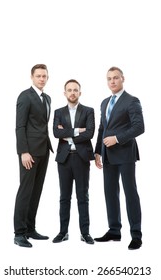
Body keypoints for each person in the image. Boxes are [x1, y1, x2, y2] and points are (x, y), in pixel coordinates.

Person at [94, 66, 145, 250]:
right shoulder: (104, 102)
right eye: (109, 78)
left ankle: (136, 235)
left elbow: (139, 127)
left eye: (116, 78)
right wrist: (97, 151)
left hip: (125, 153)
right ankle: (114, 230)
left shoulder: (132, 101)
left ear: (123, 79)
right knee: (110, 193)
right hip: (107, 155)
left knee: (130, 193)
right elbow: (102, 129)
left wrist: (117, 139)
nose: (112, 81)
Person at [14, 64, 53, 247]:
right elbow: (20, 126)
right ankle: (19, 233)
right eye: (38, 76)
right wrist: (23, 152)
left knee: (36, 191)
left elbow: (42, 124)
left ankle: (30, 228)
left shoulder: (47, 98)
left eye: (44, 76)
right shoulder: (25, 96)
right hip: (29, 153)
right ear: (32, 77)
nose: (42, 79)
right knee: (25, 191)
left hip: (44, 150)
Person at [52, 79, 95, 244]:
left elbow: (90, 133)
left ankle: (85, 233)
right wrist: (78, 130)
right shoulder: (58, 112)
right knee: (64, 197)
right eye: (69, 90)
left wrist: (67, 133)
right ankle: (63, 232)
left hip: (81, 158)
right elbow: (56, 133)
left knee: (83, 196)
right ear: (64, 93)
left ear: (80, 93)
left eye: (75, 90)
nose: (72, 93)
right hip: (64, 159)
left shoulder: (88, 111)